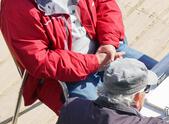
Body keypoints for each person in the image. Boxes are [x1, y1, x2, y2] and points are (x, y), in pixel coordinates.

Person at [0, 0, 157, 114]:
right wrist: (95, 62)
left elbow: (106, 5)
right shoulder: (16, 8)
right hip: (65, 78)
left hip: (109, 49)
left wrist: (109, 43)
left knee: (160, 78)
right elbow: (40, 61)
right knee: (106, 121)